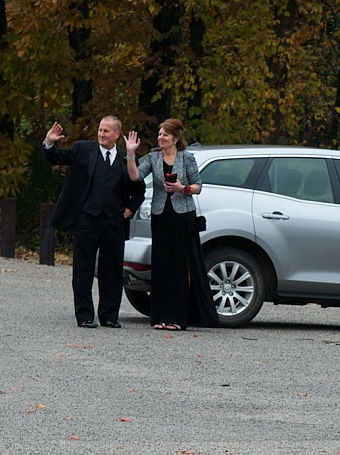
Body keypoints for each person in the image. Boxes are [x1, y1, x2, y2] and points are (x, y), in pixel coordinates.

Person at [43, 116, 146, 329]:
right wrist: (50, 142)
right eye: (100, 130)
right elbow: (56, 158)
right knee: (83, 269)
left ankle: (109, 316)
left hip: (113, 222)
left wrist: (130, 209)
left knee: (112, 270)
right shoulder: (83, 150)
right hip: (86, 220)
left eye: (106, 131)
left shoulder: (125, 158)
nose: (101, 134)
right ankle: (85, 316)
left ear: (117, 134)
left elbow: (139, 188)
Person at [123, 118, 217, 330]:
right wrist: (130, 154)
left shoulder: (187, 158)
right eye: (159, 134)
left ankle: (177, 319)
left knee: (179, 267)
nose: (161, 138)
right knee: (162, 265)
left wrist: (181, 188)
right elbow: (135, 176)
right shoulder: (153, 157)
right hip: (160, 216)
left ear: (175, 137)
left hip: (183, 216)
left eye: (165, 134)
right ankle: (160, 317)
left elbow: (198, 187)